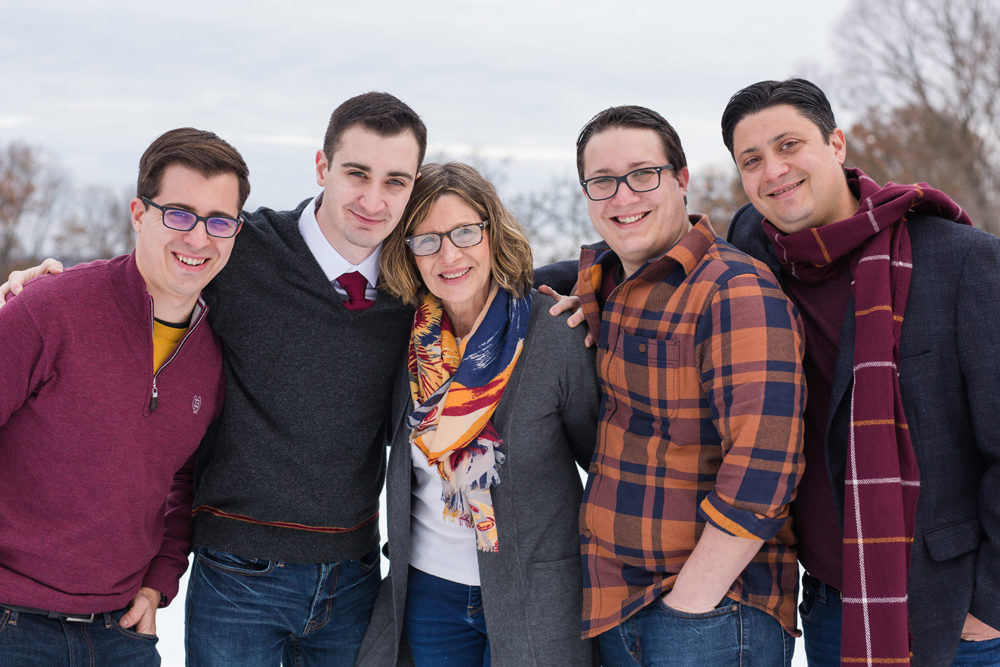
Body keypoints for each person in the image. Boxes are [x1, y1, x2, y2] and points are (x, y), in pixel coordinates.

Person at [0, 92, 427, 665]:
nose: (373, 200)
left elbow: (489, 289)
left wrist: (564, 291)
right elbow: (152, 266)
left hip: (353, 572)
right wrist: (36, 293)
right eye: (356, 173)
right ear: (322, 167)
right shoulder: (244, 249)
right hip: (235, 573)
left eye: (395, 181)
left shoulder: (419, 277)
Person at [722, 77, 1000, 666]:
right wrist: (555, 287)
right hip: (829, 604)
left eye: (789, 145)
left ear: (836, 144)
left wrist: (991, 604)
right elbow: (653, 253)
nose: (774, 171)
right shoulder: (754, 251)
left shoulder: (961, 260)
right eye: (752, 160)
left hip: (956, 610)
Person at [0, 127, 249, 665]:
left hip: (120, 636)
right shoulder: (48, 310)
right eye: (179, 214)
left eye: (219, 221)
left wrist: (158, 581)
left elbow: (182, 482)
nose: (198, 239)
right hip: (11, 624)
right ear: (139, 214)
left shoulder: (211, 357)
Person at [573, 105, 807, 666]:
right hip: (620, 605)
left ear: (681, 180)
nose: (622, 197)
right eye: (602, 181)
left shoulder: (734, 290)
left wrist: (692, 602)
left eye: (642, 175)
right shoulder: (609, 285)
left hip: (710, 616)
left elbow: (764, 467)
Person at [354, 162, 600, 666]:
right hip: (429, 593)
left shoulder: (554, 333)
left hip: (537, 593)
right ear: (408, 252)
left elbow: (602, 461)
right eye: (427, 240)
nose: (449, 255)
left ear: (492, 233)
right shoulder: (403, 342)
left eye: (465, 232)